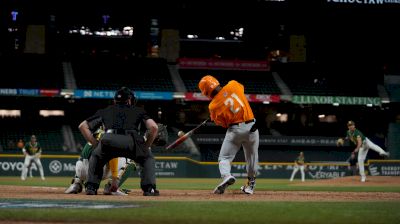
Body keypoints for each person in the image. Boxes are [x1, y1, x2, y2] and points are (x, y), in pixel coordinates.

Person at [79, 86, 159, 196]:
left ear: (114, 100)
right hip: (132, 140)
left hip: (108, 139)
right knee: (147, 158)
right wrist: (146, 146)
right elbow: (154, 128)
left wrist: (96, 144)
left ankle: (91, 187)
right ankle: (149, 189)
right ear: (130, 100)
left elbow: (82, 126)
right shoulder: (139, 111)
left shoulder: (105, 111)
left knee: (96, 156)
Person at [198, 75, 259, 195]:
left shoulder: (213, 106)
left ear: (206, 92)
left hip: (235, 130)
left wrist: (215, 115)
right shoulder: (233, 84)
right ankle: (250, 186)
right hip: (252, 127)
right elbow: (238, 92)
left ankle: (227, 176)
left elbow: (224, 124)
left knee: (224, 158)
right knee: (251, 159)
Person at [65, 126, 136, 195]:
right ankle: (111, 187)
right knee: (130, 161)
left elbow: (84, 154)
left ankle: (76, 183)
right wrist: (114, 178)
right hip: (99, 172)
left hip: (81, 171)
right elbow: (113, 157)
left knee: (84, 157)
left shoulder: (96, 133)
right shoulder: (114, 135)